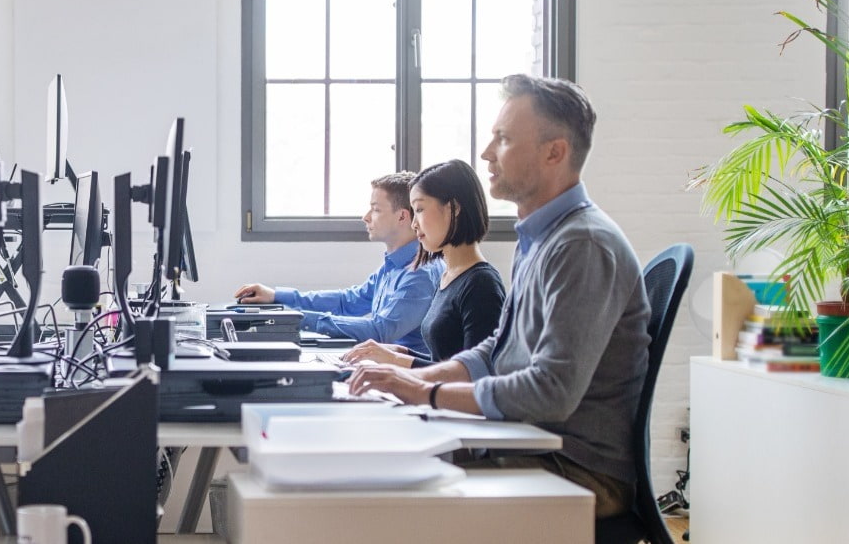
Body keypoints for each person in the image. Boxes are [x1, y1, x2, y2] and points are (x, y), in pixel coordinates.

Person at [347, 74, 652, 519]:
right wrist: (418, 382)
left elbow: (550, 391)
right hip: (533, 442)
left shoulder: (582, 246)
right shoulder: (541, 238)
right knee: (375, 465)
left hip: (578, 469)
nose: (488, 153)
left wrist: (425, 395)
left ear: (555, 152)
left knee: (391, 499)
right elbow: (498, 350)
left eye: (504, 139)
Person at [232, 173, 442, 351]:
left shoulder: (419, 274)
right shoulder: (393, 265)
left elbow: (380, 331)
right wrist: (276, 296)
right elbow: (348, 302)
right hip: (381, 365)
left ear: (403, 217)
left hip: (404, 376)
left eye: (376, 209)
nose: (366, 217)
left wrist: (298, 318)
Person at [342, 159, 504, 367]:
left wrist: (397, 360)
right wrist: (401, 352)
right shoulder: (449, 276)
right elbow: (445, 359)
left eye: (419, 209)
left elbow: (475, 375)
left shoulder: (481, 285)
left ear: (453, 208)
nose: (413, 223)